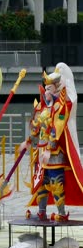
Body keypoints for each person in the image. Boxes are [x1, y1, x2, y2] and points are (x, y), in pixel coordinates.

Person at [20, 64, 83, 222]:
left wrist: (49, 149)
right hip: (41, 152)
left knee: (55, 183)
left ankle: (61, 213)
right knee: (42, 183)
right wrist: (28, 142)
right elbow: (36, 129)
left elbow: (57, 129)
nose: (46, 92)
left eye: (49, 89)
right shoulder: (42, 108)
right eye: (45, 88)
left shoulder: (59, 107)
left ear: (56, 89)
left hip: (53, 153)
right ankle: (41, 212)